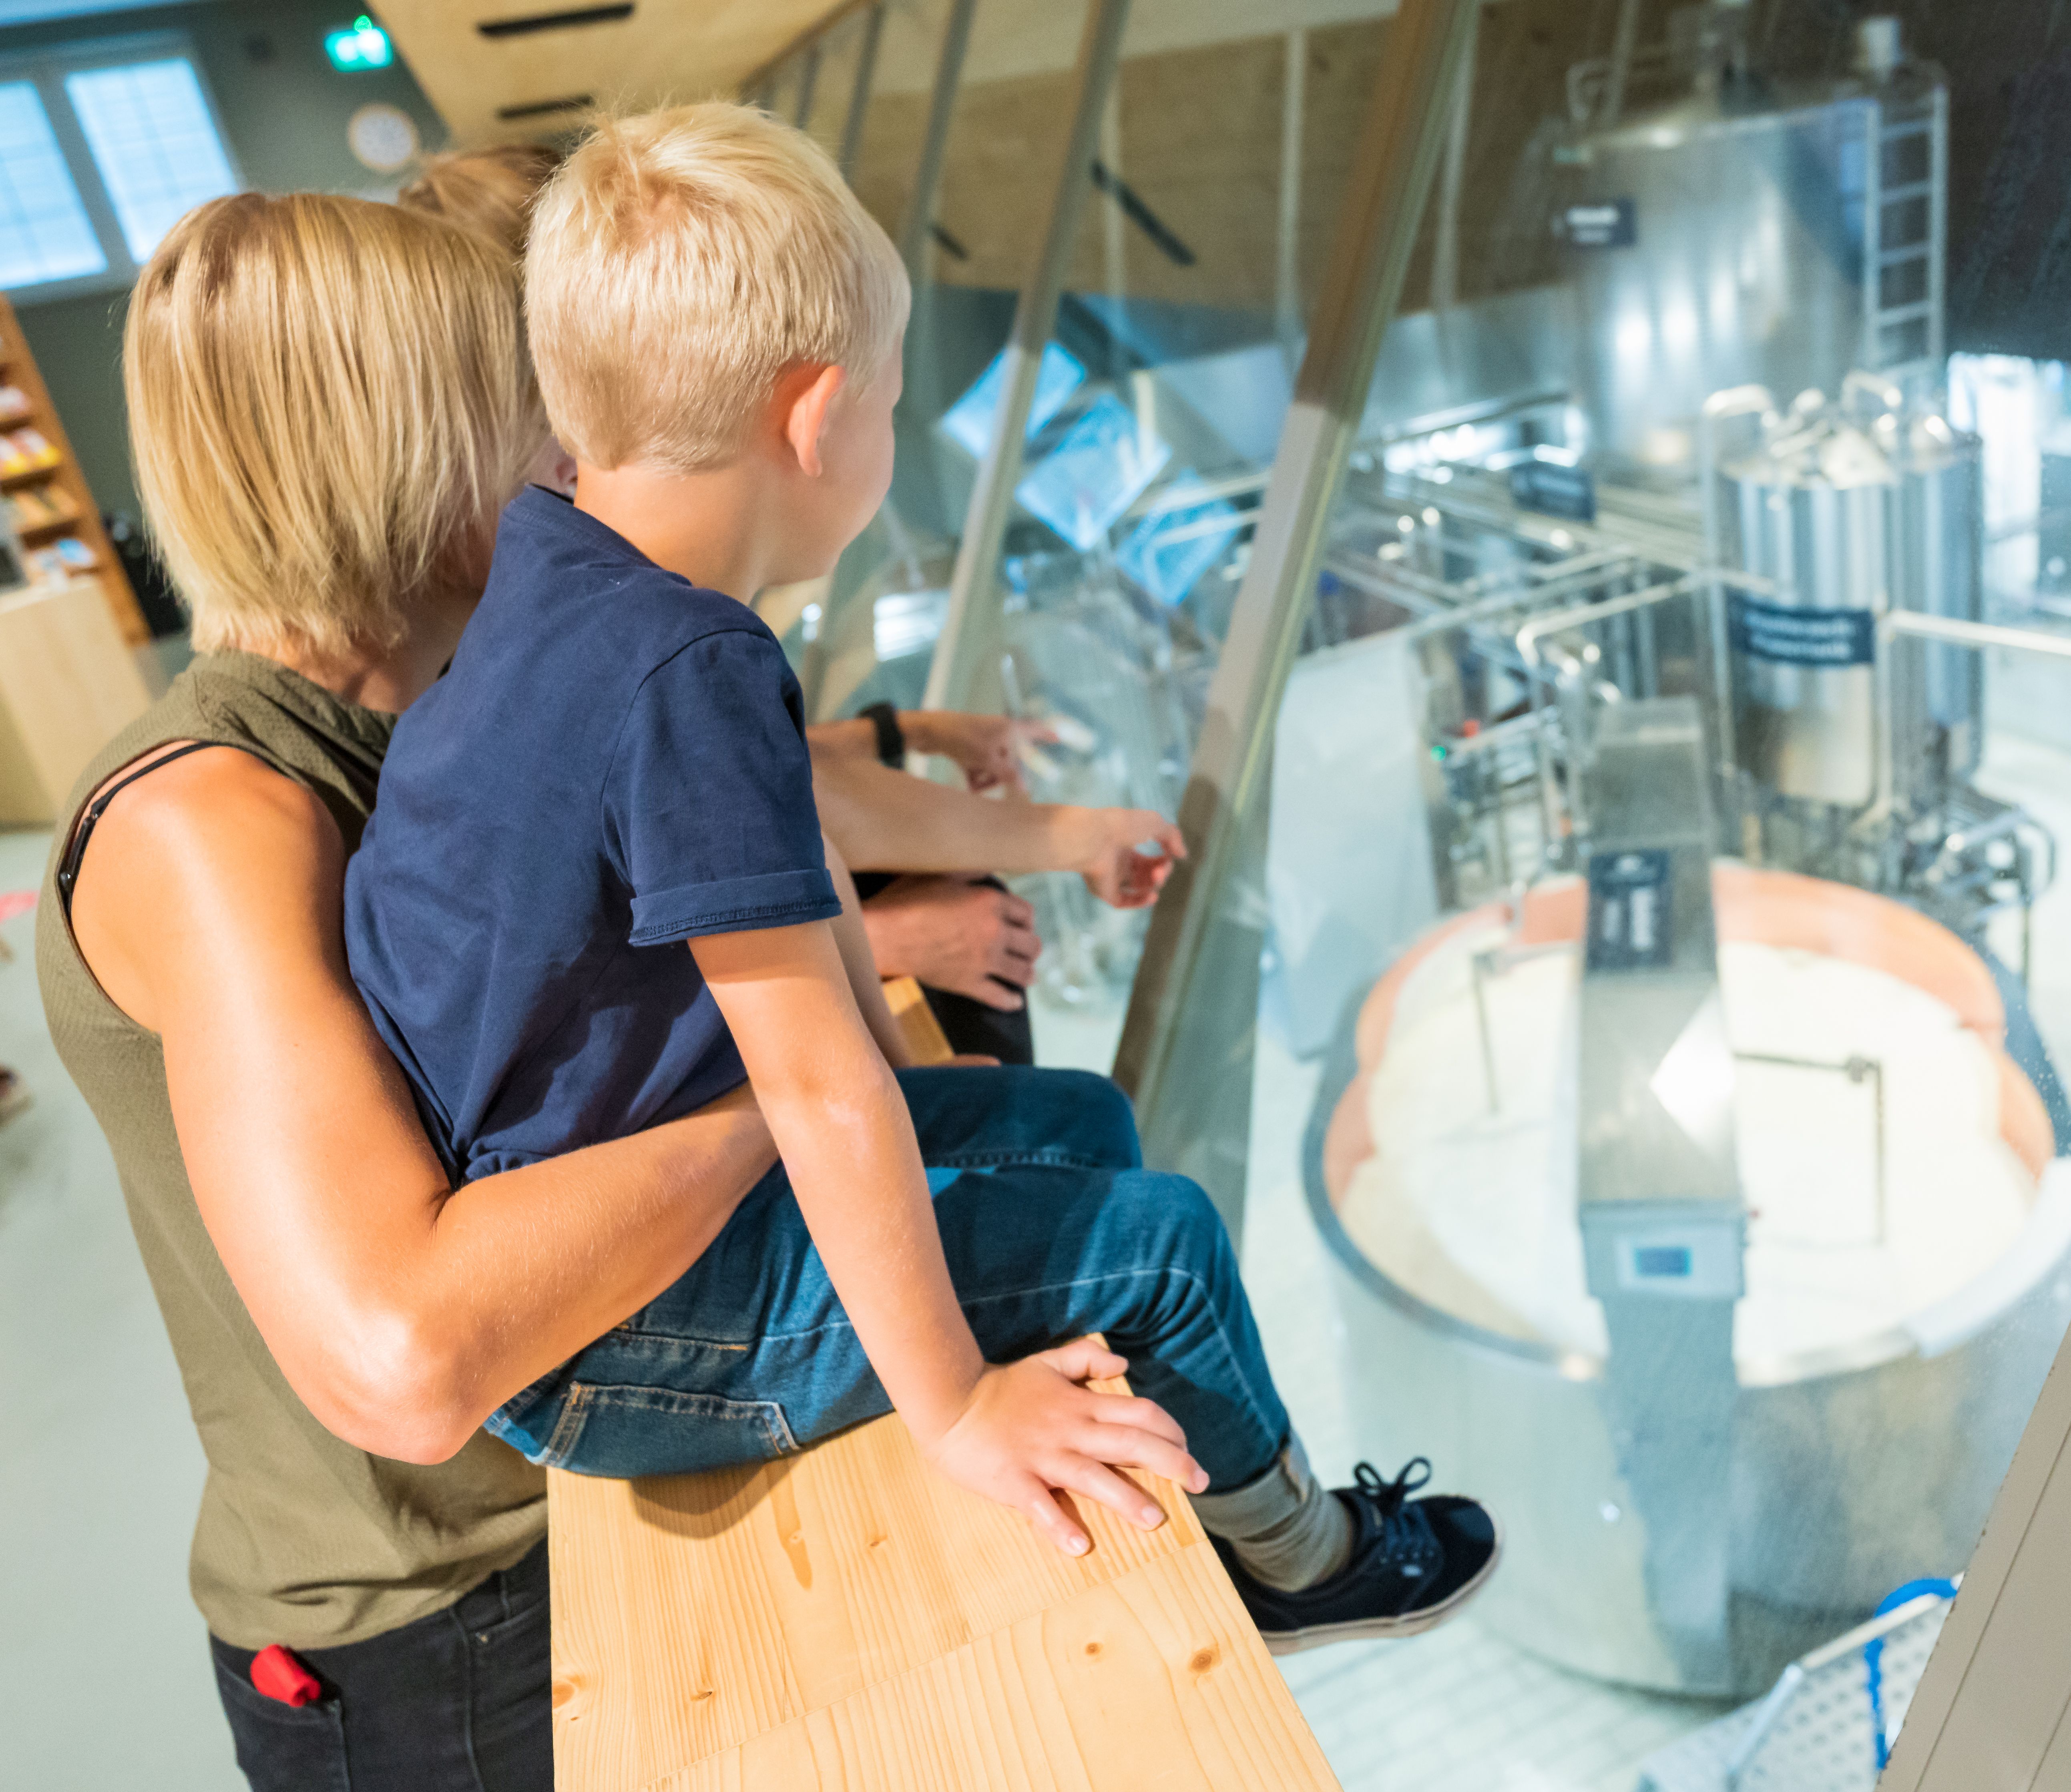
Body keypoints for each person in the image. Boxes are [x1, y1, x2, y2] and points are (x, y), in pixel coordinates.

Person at [42, 185, 1482, 1792]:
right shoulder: (216, 818)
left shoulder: (466, 686)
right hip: (433, 1626)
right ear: (418, 441)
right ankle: (1303, 1550)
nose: (571, 451)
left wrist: (1020, 841)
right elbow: (404, 1357)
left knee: (1069, 1144)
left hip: (559, 1472)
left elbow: (737, 801)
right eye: (528, 403)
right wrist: (786, 1091)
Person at [344, 103, 1497, 1625]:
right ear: (818, 418)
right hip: (617, 1338)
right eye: (891, 403)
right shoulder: (691, 661)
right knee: (1165, 1247)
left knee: (1079, 1114)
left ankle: (1191, 1442)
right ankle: (1308, 1558)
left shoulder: (559, 563)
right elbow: (822, 1084)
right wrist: (956, 1404)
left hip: (601, 1236)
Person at [402, 143, 1102, 1064]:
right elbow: (717, 851)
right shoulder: (665, 638)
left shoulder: (547, 583)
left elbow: (725, 786)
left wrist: (907, 733)